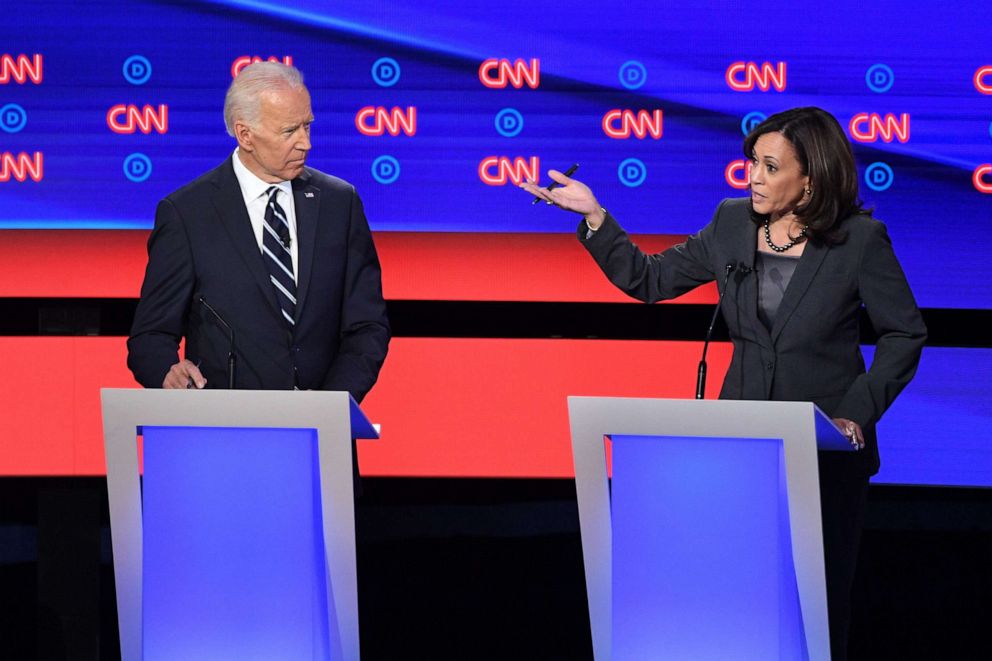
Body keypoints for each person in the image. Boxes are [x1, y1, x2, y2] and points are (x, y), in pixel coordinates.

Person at [521, 106, 926, 659]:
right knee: (739, 598)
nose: (752, 177)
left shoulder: (859, 240)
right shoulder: (733, 222)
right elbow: (650, 280)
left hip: (825, 452)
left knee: (815, 608)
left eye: (769, 166)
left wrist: (856, 413)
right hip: (742, 448)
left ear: (811, 179)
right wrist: (594, 217)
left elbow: (905, 333)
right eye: (751, 163)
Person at [128, 62, 389, 401]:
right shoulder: (187, 214)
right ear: (245, 134)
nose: (305, 143)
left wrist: (331, 405)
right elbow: (150, 336)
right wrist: (167, 371)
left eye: (307, 126)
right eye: (289, 131)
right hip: (224, 431)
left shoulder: (340, 204)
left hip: (323, 433)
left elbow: (368, 326)